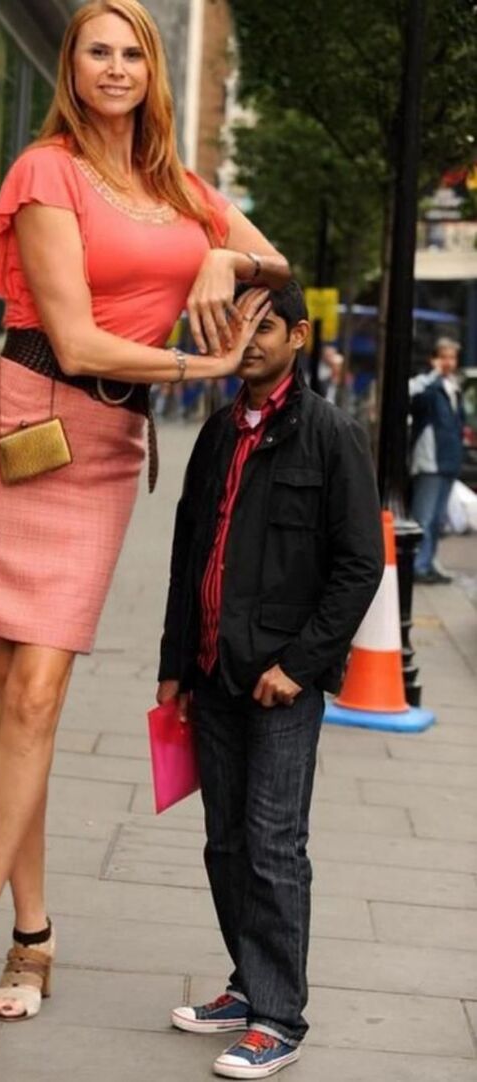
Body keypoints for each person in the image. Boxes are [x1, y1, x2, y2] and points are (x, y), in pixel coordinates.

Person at [0, 0, 290, 1043]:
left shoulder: (179, 189)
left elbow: (272, 260)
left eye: (131, 53)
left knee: (35, 700)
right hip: (19, 430)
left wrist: (220, 260)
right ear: (71, 69)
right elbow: (75, 341)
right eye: (97, 52)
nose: (115, 68)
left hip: (106, 455)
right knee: (16, 713)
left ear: (149, 70)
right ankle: (25, 930)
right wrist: (200, 366)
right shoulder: (47, 171)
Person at [158, 281, 383, 1079]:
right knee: (225, 842)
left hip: (281, 684)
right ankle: (248, 983)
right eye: (237, 324)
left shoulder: (331, 435)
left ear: (298, 336)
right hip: (213, 674)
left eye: (265, 326)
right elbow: (189, 553)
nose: (248, 339)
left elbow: (360, 565)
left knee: (274, 845)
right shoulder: (218, 432)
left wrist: (300, 665)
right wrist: (174, 666)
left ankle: (279, 1018)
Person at [410, 337, 464, 584]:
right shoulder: (427, 386)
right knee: (424, 516)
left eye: (452, 357)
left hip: (448, 460)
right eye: (443, 357)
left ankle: (428, 563)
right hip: (430, 461)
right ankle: (418, 566)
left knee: (437, 520)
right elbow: (413, 396)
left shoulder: (453, 387)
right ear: (433, 359)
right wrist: (433, 374)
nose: (448, 363)